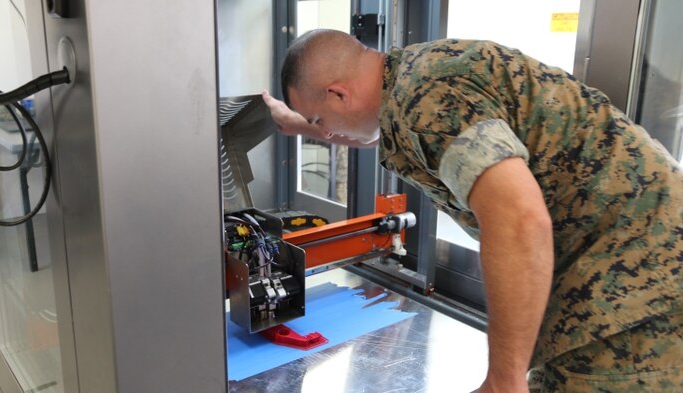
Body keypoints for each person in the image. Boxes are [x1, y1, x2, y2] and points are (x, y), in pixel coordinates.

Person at [262, 29, 683, 392]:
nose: (326, 133)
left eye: (320, 119)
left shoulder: (426, 104)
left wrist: (504, 378)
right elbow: (371, 130)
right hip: (628, 258)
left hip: (637, 289)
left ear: (339, 92)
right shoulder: (413, 75)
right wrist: (303, 122)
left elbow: (518, 220)